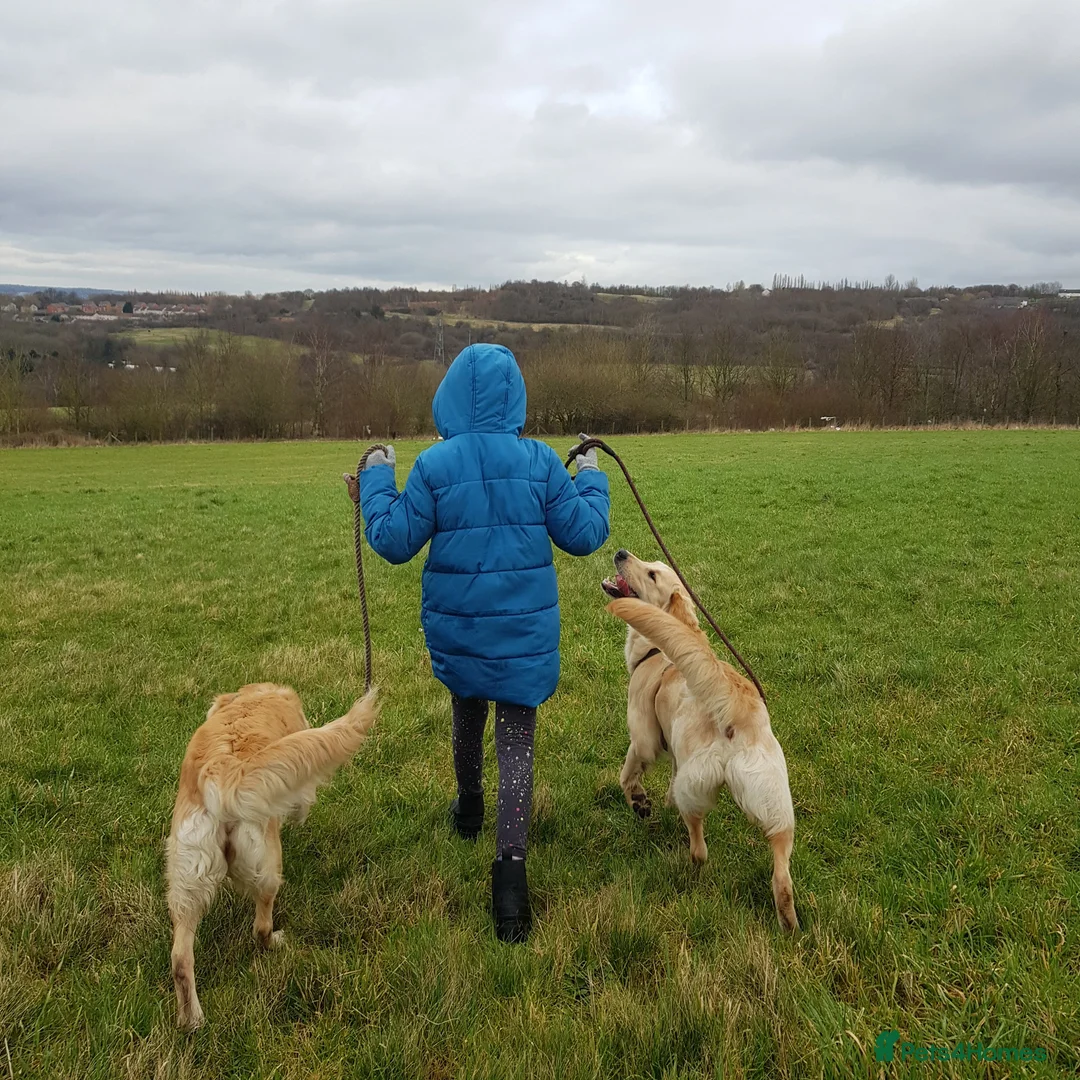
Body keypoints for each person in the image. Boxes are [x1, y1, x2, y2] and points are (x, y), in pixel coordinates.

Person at [353, 343, 609, 942]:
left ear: (449, 399)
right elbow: (586, 533)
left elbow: (391, 538)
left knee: (466, 712)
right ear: (514, 396)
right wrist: (591, 474)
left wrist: (377, 476)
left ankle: (468, 808)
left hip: (460, 629)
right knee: (516, 743)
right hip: (523, 636)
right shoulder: (543, 462)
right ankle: (511, 880)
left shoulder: (436, 467)